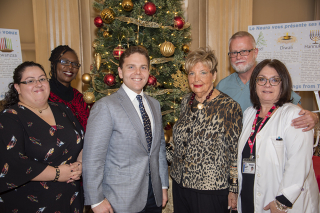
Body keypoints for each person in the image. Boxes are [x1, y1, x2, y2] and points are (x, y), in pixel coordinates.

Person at [82, 46, 169, 213]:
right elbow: (93, 158)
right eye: (131, 67)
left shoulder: (154, 105)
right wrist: (95, 201)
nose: (138, 72)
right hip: (120, 200)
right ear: (120, 72)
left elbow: (159, 151)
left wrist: (163, 185)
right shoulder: (105, 107)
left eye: (143, 67)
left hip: (154, 197)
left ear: (149, 72)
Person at [0, 61, 84, 212]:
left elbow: (82, 141)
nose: (38, 84)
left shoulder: (62, 108)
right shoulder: (10, 118)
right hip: (31, 203)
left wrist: (80, 164)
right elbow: (13, 163)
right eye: (30, 81)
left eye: (42, 79)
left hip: (71, 200)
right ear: (17, 87)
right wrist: (57, 173)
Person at [237, 59, 319, 213]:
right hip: (249, 196)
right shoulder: (249, 113)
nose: (267, 84)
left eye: (274, 80)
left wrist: (282, 201)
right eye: (261, 79)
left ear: (283, 84)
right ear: (254, 84)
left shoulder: (294, 115)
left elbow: (299, 163)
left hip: (281, 203)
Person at [170, 47, 242, 213]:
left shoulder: (229, 107)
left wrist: (234, 189)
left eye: (203, 72)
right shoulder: (186, 101)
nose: (196, 79)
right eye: (191, 73)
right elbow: (180, 143)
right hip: (181, 185)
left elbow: (235, 153)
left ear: (214, 75)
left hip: (211, 190)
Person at [216, 31, 319, 131]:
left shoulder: (270, 82)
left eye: (244, 51)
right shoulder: (223, 86)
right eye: (234, 52)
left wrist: (314, 117)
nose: (238, 57)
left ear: (255, 52)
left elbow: (299, 113)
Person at [49, 45, 90, 131]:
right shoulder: (45, 96)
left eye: (75, 64)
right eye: (64, 62)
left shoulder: (79, 98)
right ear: (53, 64)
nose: (70, 67)